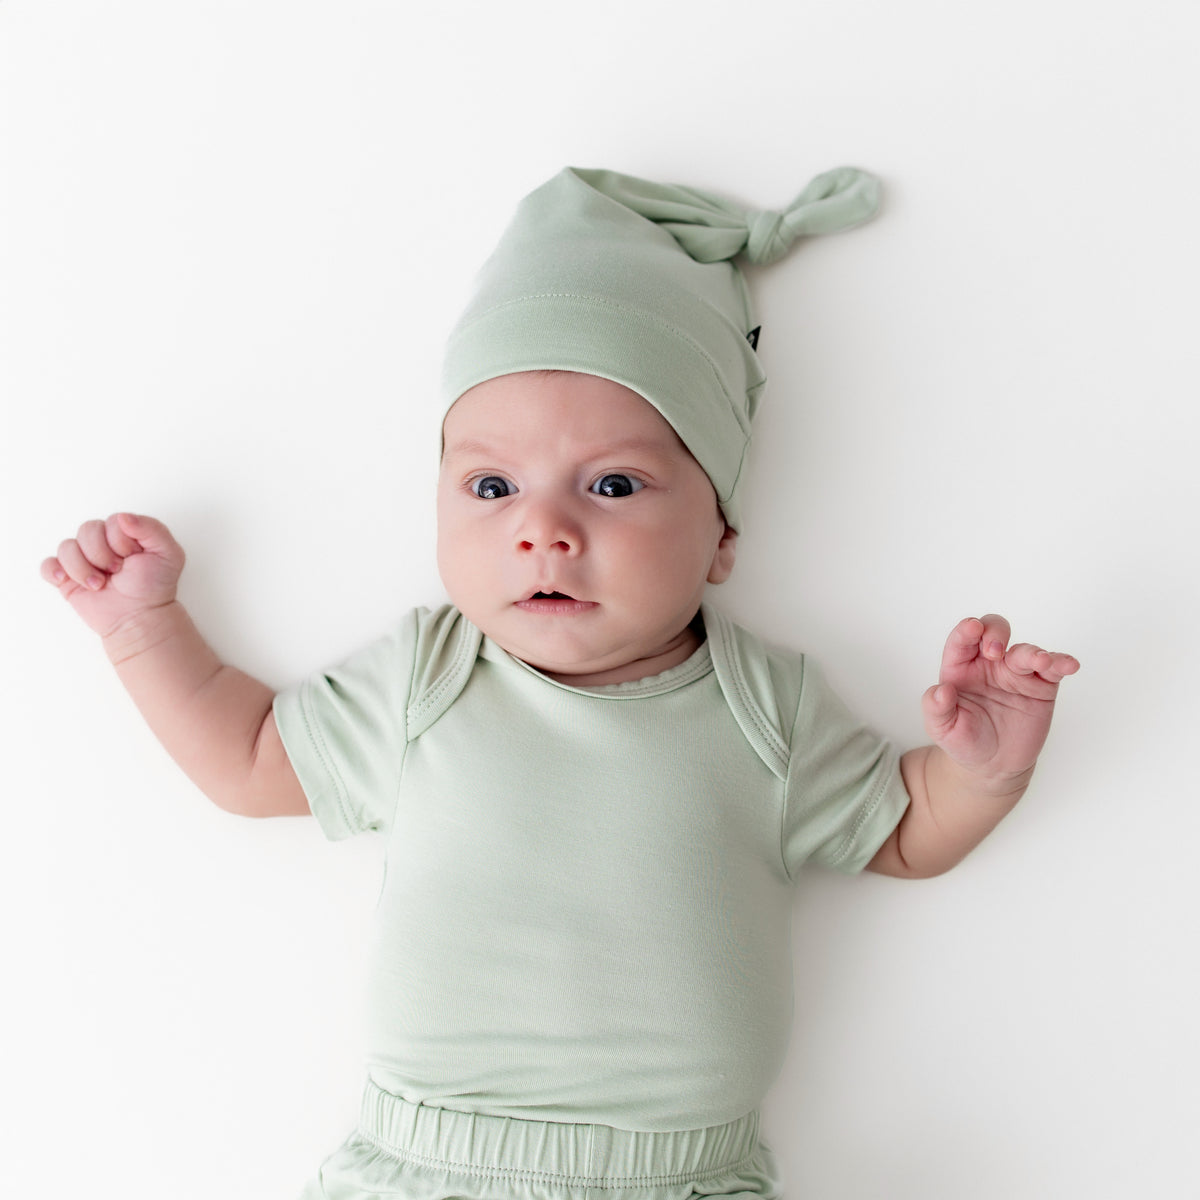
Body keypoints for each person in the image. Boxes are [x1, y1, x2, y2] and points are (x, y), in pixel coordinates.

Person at [42, 166, 1079, 1200]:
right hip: (431, 1165)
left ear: (720, 536)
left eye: (614, 485)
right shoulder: (431, 676)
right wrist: (143, 626)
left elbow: (897, 832)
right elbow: (251, 760)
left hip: (683, 1175)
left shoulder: (766, 708)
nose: (543, 529)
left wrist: (979, 776)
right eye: (490, 487)